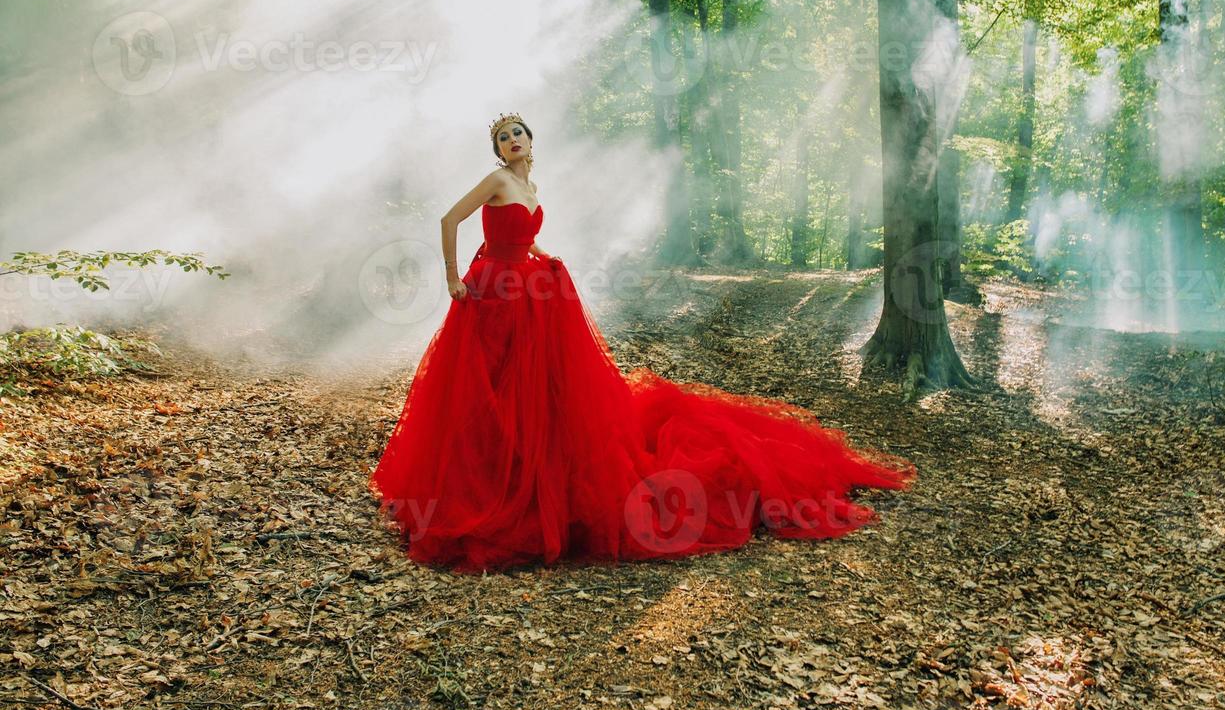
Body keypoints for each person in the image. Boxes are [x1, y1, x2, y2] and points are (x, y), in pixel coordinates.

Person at [369, 112, 916, 573]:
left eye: (518, 134)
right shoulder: (496, 181)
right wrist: (450, 277)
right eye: (503, 137)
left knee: (542, 393)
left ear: (533, 142)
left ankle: (537, 483)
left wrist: (541, 256)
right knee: (489, 387)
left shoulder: (532, 187)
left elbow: (519, 235)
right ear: (497, 149)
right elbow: (451, 218)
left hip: (534, 294)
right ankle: (486, 484)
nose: (512, 142)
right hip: (492, 293)